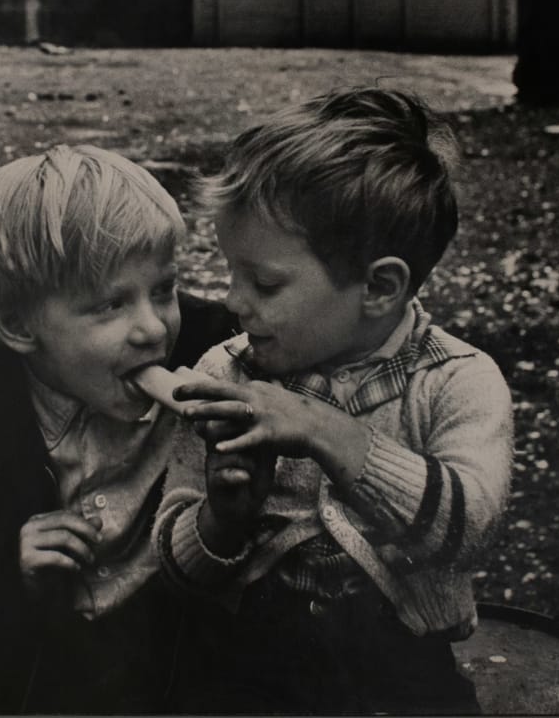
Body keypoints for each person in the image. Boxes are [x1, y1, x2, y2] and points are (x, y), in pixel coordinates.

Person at [154, 87, 513, 715]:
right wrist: (222, 518)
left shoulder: (457, 381)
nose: (234, 301)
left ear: (379, 285)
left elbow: (468, 532)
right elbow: (180, 576)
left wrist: (325, 430)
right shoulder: (226, 372)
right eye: (232, 271)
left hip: (401, 673)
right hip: (251, 670)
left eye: (264, 282)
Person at [0, 145, 233, 715]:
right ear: (18, 324)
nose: (152, 328)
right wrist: (7, 574)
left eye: (163, 289)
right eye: (110, 305)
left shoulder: (215, 353)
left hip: (168, 669)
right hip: (29, 684)